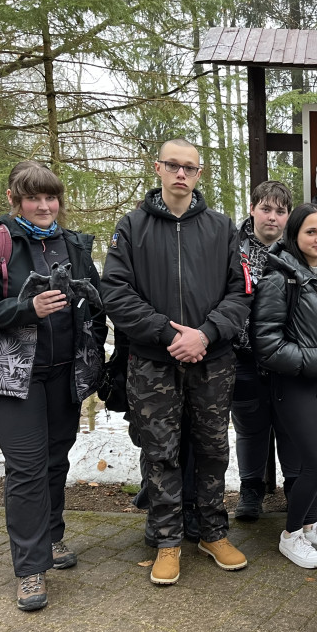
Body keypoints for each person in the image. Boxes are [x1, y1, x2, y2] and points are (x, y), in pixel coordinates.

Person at [0, 161, 106, 611]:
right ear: (14, 199)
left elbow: (95, 302)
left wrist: (95, 345)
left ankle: (51, 537)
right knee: (27, 468)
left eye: (50, 197)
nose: (43, 206)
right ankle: (30, 568)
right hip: (9, 373)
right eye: (33, 197)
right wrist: (25, 309)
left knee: (56, 460)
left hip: (64, 373)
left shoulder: (72, 243)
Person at [102, 138, 251, 586]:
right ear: (158, 169)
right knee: (160, 452)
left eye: (189, 167)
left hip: (212, 359)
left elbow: (241, 292)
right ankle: (167, 540)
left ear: (199, 174)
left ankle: (212, 532)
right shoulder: (132, 227)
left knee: (212, 449)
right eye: (173, 165)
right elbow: (115, 292)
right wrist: (169, 334)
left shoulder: (222, 228)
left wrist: (205, 334)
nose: (181, 173)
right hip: (153, 362)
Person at [252, 202, 317, 568]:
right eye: (311, 232)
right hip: (296, 383)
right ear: (294, 235)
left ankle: (312, 525)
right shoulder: (279, 277)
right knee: (315, 462)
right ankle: (291, 533)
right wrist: (309, 362)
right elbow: (266, 343)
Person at [232, 180, 292, 522]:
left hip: (285, 356)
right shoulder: (230, 248)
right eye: (266, 209)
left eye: (280, 211)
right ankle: (251, 490)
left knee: (290, 426)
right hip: (242, 356)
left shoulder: (294, 251)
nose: (272, 217)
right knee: (250, 428)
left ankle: (295, 490)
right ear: (252, 208)